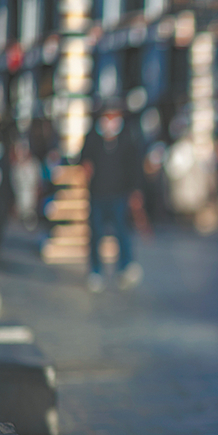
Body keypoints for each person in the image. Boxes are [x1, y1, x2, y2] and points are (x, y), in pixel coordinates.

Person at [80, 97, 144, 292]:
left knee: (121, 231)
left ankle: (125, 266)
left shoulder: (126, 136)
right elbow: (83, 157)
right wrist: (85, 166)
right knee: (97, 232)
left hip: (119, 193)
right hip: (98, 193)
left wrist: (135, 190)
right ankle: (96, 271)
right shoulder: (93, 135)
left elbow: (134, 166)